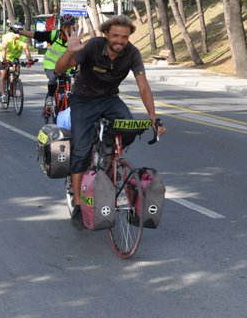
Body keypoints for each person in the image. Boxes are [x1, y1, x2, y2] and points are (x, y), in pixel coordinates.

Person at [55, 15, 166, 229]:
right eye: (115, 35)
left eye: (124, 36)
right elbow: (59, 69)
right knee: (80, 150)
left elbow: (143, 86)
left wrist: (153, 116)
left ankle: (109, 155)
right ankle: (78, 204)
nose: (120, 40)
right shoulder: (93, 46)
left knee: (131, 128)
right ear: (106, 34)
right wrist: (71, 50)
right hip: (83, 100)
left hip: (109, 99)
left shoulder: (132, 53)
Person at [12, 13, 76, 109]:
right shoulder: (54, 35)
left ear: (73, 27)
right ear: (61, 27)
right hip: (51, 65)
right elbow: (35, 35)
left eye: (69, 26)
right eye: (64, 26)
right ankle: (50, 96)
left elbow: (81, 55)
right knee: (53, 79)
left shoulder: (75, 39)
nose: (66, 29)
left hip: (67, 68)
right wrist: (19, 32)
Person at [0, 27, 33, 102]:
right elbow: (4, 49)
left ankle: (13, 89)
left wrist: (29, 60)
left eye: (20, 30)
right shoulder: (7, 37)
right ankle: (3, 94)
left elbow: (26, 48)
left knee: (16, 72)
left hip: (14, 57)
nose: (18, 32)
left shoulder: (22, 38)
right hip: (3, 56)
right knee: (3, 74)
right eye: (16, 31)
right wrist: (4, 60)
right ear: (12, 32)